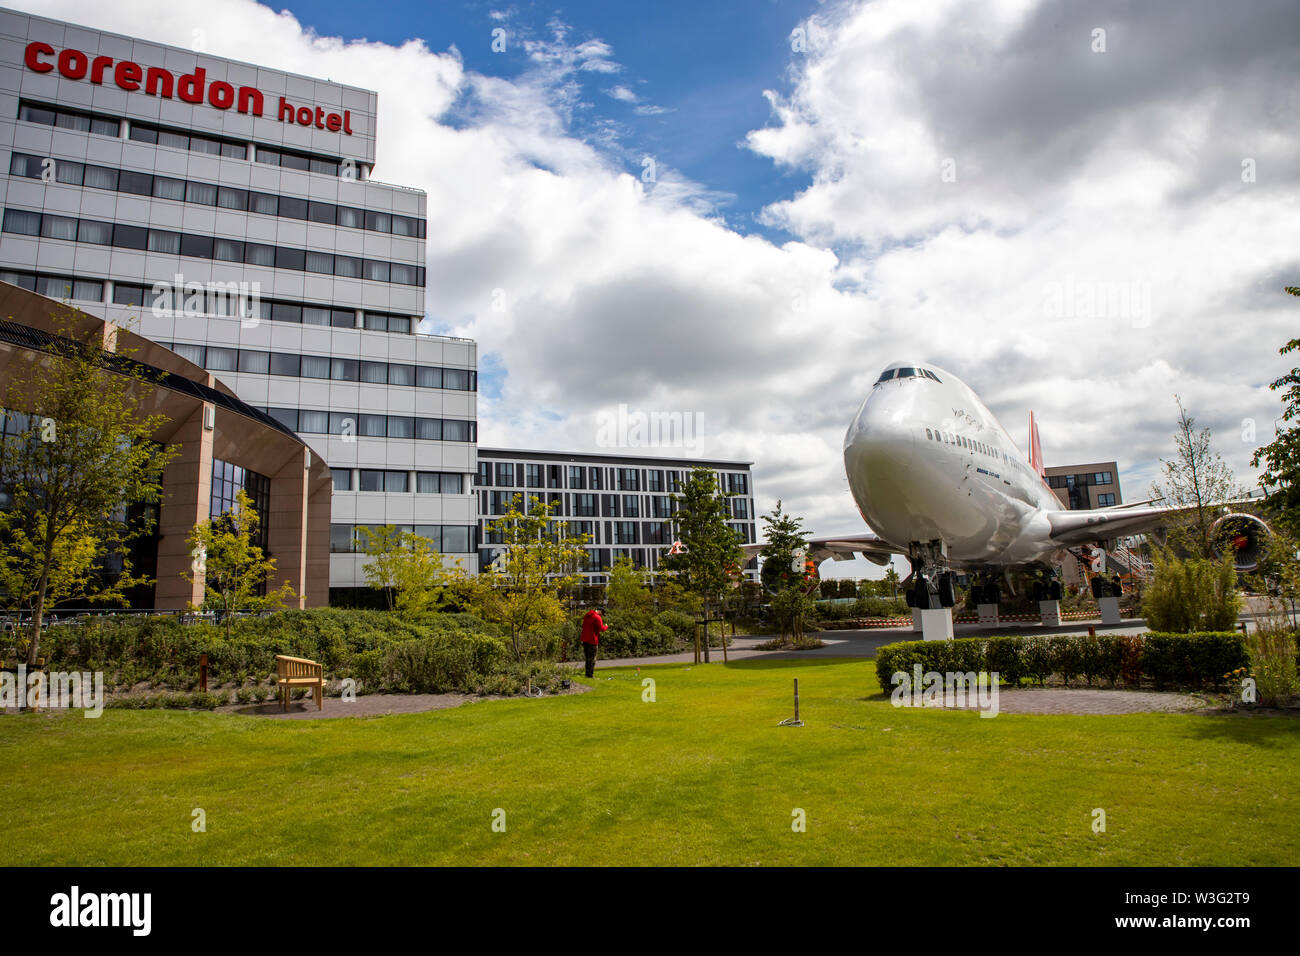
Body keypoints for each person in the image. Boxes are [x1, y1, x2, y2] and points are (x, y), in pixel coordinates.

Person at [580, 606, 608, 678]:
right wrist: (606, 626)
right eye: (602, 614)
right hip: (592, 640)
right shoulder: (597, 617)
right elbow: (601, 628)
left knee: (587, 658)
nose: (601, 615)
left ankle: (587, 673)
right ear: (600, 611)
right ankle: (590, 675)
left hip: (585, 639)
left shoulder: (587, 615)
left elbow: (583, 625)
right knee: (592, 658)